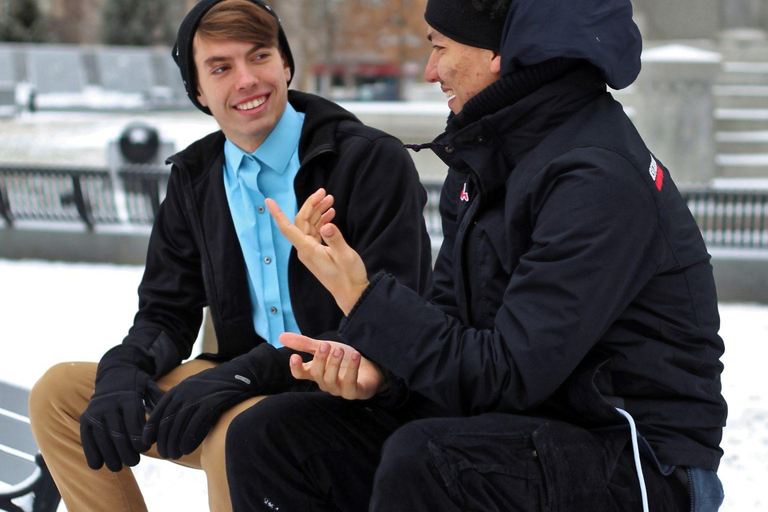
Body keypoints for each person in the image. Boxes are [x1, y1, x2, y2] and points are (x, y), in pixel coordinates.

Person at [227, 0, 728, 510]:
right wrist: (382, 373)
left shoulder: (596, 178)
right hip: (525, 428)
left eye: (439, 47)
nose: (429, 71)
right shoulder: (489, 158)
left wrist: (361, 295)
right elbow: (454, 323)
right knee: (271, 437)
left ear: (497, 53)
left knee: (430, 461)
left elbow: (506, 374)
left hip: (642, 462)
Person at [27, 0, 436, 511]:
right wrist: (123, 371)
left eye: (259, 57)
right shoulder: (196, 178)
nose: (246, 80)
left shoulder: (368, 161)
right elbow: (165, 311)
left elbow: (394, 320)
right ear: (198, 90)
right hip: (236, 380)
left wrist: (241, 376)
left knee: (237, 433)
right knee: (60, 396)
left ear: (286, 64)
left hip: (346, 389)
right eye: (221, 67)